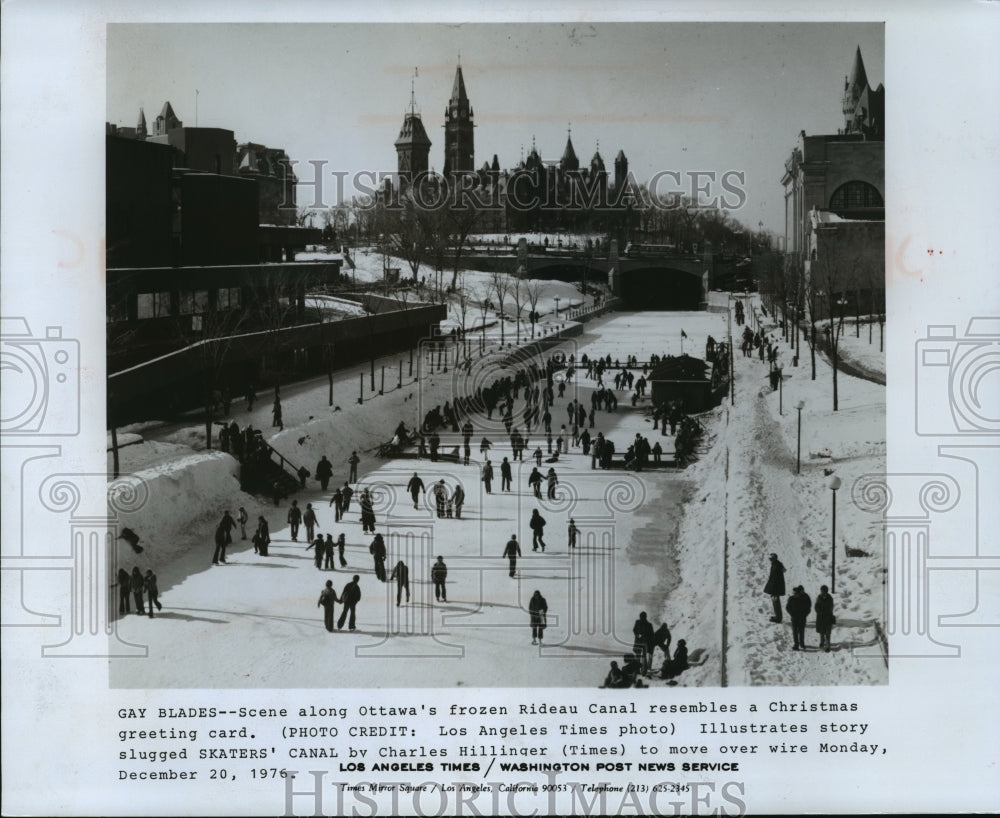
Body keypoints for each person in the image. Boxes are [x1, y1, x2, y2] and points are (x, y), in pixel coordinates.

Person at [786, 585, 812, 650]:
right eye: (793, 593)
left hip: (802, 618)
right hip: (794, 618)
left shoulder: (803, 599)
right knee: (795, 632)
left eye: (795, 593)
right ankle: (796, 644)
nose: (794, 594)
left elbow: (808, 608)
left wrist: (805, 615)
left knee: (801, 632)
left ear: (798, 593)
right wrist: (792, 614)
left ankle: (802, 644)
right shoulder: (791, 599)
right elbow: (787, 607)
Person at [764, 553, 786, 623]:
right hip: (775, 588)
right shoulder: (777, 564)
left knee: (776, 603)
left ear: (774, 558)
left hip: (775, 589)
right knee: (775, 602)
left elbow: (775, 579)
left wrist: (773, 590)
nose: (770, 560)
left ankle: (778, 618)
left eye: (771, 559)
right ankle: (778, 617)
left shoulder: (776, 565)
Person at [815, 585, 835, 651]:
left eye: (822, 591)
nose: (821, 592)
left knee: (828, 632)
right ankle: (822, 641)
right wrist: (819, 611)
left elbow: (831, 607)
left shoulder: (830, 598)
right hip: (820, 617)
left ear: (825, 591)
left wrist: (827, 613)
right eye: (821, 591)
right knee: (821, 631)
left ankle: (828, 645)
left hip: (827, 617)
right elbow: (816, 606)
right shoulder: (819, 597)